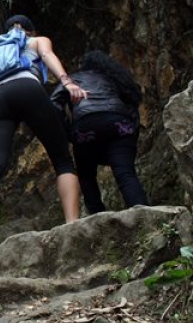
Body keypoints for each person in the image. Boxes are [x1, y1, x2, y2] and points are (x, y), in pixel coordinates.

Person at [0, 15, 86, 250]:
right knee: (62, 159)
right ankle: (72, 226)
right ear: (30, 30)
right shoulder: (36, 40)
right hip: (26, 86)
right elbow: (47, 56)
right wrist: (67, 81)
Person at [50, 50, 148, 214]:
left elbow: (54, 103)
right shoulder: (115, 79)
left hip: (86, 126)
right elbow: (132, 105)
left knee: (87, 176)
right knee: (126, 174)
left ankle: (98, 216)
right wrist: (131, 133)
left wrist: (70, 132)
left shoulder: (74, 79)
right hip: (118, 124)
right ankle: (144, 215)